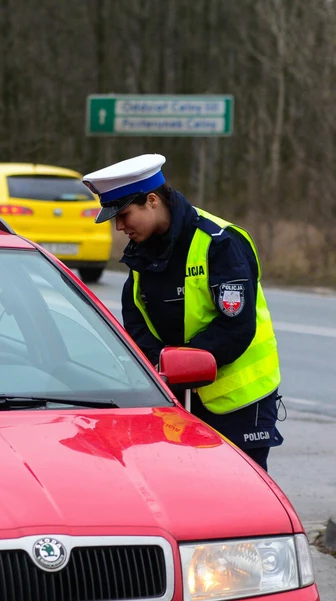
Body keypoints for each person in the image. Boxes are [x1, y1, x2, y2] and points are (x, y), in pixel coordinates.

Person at [83, 154, 283, 471]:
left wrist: (180, 364)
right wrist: (162, 366)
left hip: (240, 403)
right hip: (178, 403)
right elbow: (136, 325)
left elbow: (236, 327)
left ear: (151, 200)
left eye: (123, 214)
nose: (119, 226)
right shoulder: (141, 251)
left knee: (239, 503)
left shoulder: (219, 241)